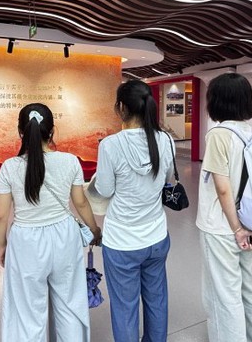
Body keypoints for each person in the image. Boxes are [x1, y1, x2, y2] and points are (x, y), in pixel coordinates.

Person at [0, 103, 102, 342]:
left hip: (25, 241)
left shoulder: (10, 167)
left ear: (20, 132)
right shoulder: (70, 161)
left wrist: (2, 245)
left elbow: (0, 215)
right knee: (69, 304)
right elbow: (80, 202)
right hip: (64, 236)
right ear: (52, 131)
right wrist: (94, 229)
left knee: (28, 311)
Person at [94, 80, 175, 342]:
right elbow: (167, 178)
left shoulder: (110, 145)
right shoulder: (166, 140)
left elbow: (105, 190)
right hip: (157, 236)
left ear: (122, 107)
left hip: (122, 241)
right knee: (157, 299)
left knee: (125, 307)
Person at [196, 73, 252, 342]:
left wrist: (236, 228)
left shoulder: (218, 134)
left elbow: (222, 187)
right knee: (247, 287)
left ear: (216, 101)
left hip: (223, 226)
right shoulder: (251, 133)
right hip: (249, 222)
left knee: (223, 294)